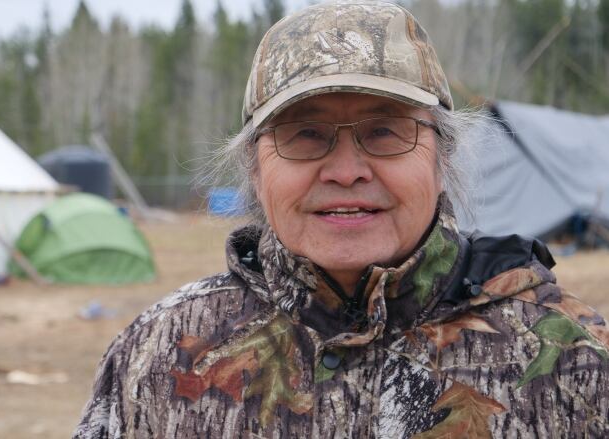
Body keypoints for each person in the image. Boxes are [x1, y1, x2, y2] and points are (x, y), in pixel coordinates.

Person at [74, 1, 609, 437]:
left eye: (384, 131)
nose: (348, 171)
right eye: (305, 134)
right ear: (256, 170)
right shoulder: (159, 352)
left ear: (441, 160)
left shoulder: (575, 357)